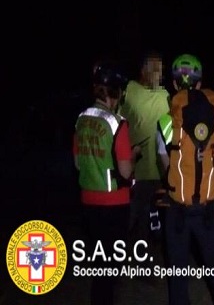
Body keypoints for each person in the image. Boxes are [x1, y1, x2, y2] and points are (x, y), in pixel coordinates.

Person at [164, 53, 214, 305]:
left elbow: (167, 168)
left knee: (178, 278)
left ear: (174, 83)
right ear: (200, 82)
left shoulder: (165, 121)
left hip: (178, 210)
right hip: (207, 208)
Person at [73, 62, 137, 305]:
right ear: (117, 93)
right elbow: (125, 170)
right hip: (114, 205)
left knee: (100, 263)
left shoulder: (81, 119)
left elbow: (78, 163)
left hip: (88, 202)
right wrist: (134, 154)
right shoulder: (117, 123)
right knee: (110, 269)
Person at [119, 50, 170, 254]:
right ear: (144, 71)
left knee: (160, 220)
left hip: (161, 170)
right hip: (137, 170)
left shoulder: (165, 95)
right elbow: (119, 125)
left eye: (161, 69)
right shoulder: (130, 92)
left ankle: (155, 257)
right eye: (155, 69)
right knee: (134, 218)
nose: (160, 73)